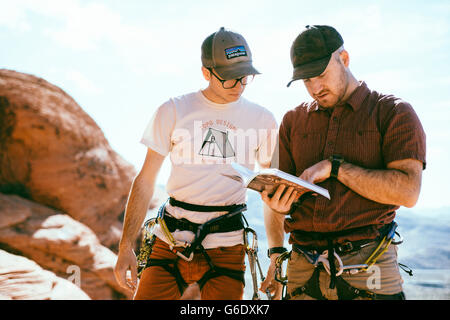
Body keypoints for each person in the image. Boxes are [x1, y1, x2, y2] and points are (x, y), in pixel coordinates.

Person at [260, 25, 426, 300]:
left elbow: (408, 192)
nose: (314, 87)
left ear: (344, 59)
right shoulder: (293, 121)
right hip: (303, 269)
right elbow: (276, 196)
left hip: (369, 265)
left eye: (320, 75)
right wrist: (276, 208)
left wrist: (336, 169)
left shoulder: (393, 112)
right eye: (305, 80)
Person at [114, 27, 278, 300]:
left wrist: (276, 254)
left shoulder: (263, 120)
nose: (238, 85)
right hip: (169, 242)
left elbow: (272, 191)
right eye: (229, 78)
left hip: (227, 248)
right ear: (206, 72)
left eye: (244, 77)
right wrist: (125, 247)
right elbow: (144, 180)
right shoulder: (174, 110)